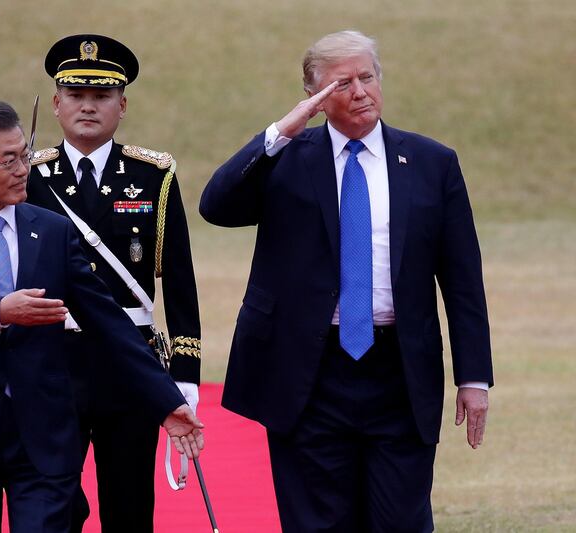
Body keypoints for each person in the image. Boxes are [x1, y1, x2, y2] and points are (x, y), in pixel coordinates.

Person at [199, 30, 493, 532]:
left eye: (367, 77)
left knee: (400, 521)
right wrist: (279, 132)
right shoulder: (287, 157)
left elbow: (463, 280)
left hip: (399, 371)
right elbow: (217, 206)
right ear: (315, 96)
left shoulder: (431, 163)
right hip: (308, 374)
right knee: (317, 523)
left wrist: (473, 377)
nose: (359, 91)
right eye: (342, 83)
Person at [0, 100, 203, 533]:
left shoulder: (52, 230)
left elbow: (108, 320)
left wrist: (166, 402)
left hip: (41, 435)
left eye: (24, 154)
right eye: (8, 160)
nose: (24, 169)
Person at [24, 35, 202, 533]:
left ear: (122, 105)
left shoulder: (154, 176)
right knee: (51, 501)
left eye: (101, 96)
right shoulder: (28, 178)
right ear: (56, 104)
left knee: (128, 505)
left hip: (130, 360)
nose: (88, 106)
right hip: (51, 358)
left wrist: (185, 374)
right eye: (75, 95)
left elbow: (181, 281)